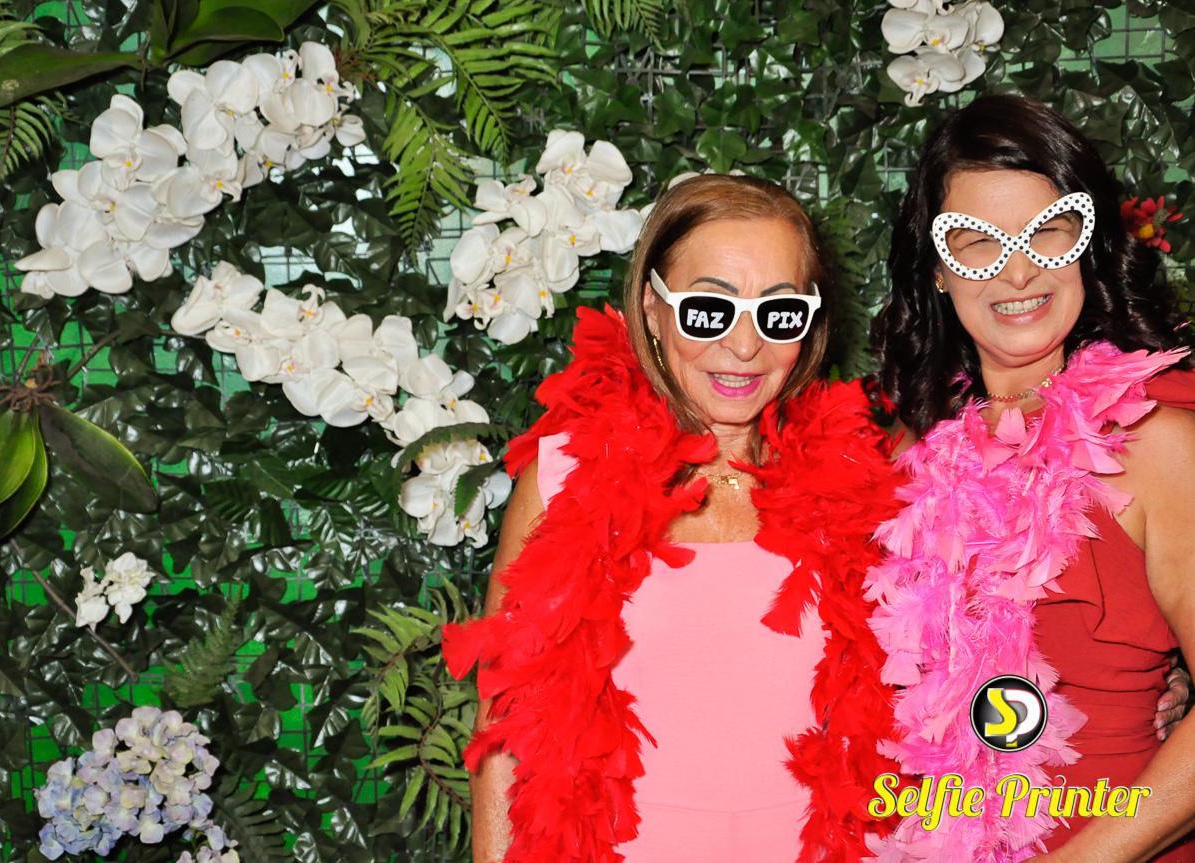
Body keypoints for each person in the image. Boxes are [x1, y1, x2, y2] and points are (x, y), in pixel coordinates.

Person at [441, 174, 906, 863]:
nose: (744, 346)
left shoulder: (862, 485)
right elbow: (505, 730)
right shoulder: (563, 478)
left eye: (779, 313)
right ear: (653, 308)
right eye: (709, 311)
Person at [870, 93, 1195, 862]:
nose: (1017, 270)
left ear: (1088, 245)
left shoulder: (1158, 444)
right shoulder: (900, 452)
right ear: (937, 270)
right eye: (976, 242)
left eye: (1047, 231)